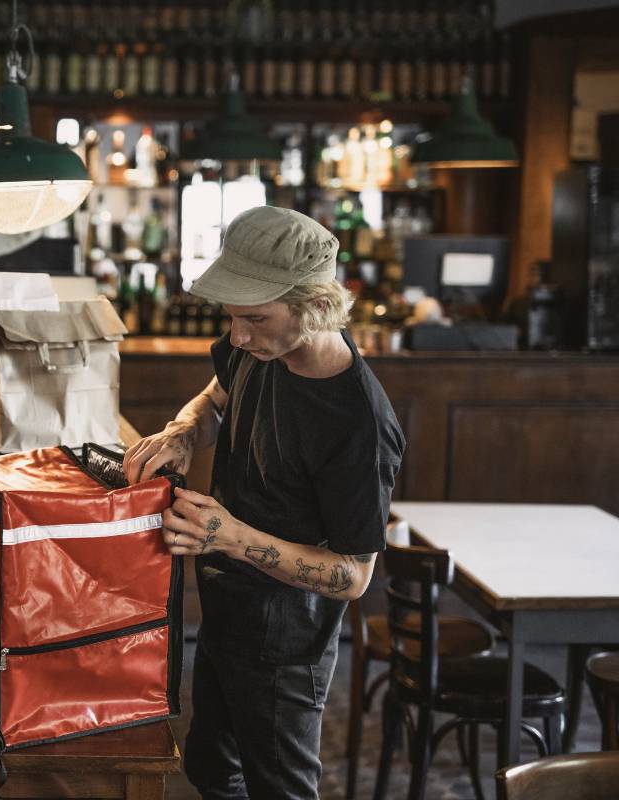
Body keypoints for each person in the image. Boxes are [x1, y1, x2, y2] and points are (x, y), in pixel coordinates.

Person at [123, 206, 405, 800]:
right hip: (226, 609)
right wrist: (181, 431)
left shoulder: (358, 421)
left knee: (281, 788)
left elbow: (353, 575)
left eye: (254, 318)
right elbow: (215, 396)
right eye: (231, 316)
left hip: (285, 642)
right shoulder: (257, 347)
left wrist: (229, 536)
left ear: (317, 305)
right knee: (209, 769)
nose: (239, 336)